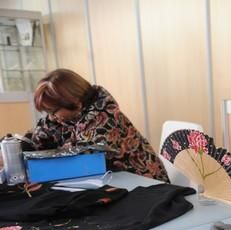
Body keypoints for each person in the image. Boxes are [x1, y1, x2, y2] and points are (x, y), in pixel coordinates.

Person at [19, 68, 168, 182]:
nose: (51, 117)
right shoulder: (68, 113)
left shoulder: (104, 118)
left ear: (74, 102)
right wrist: (17, 150)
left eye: (53, 111)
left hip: (145, 184)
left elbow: (80, 160)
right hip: (113, 181)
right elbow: (39, 135)